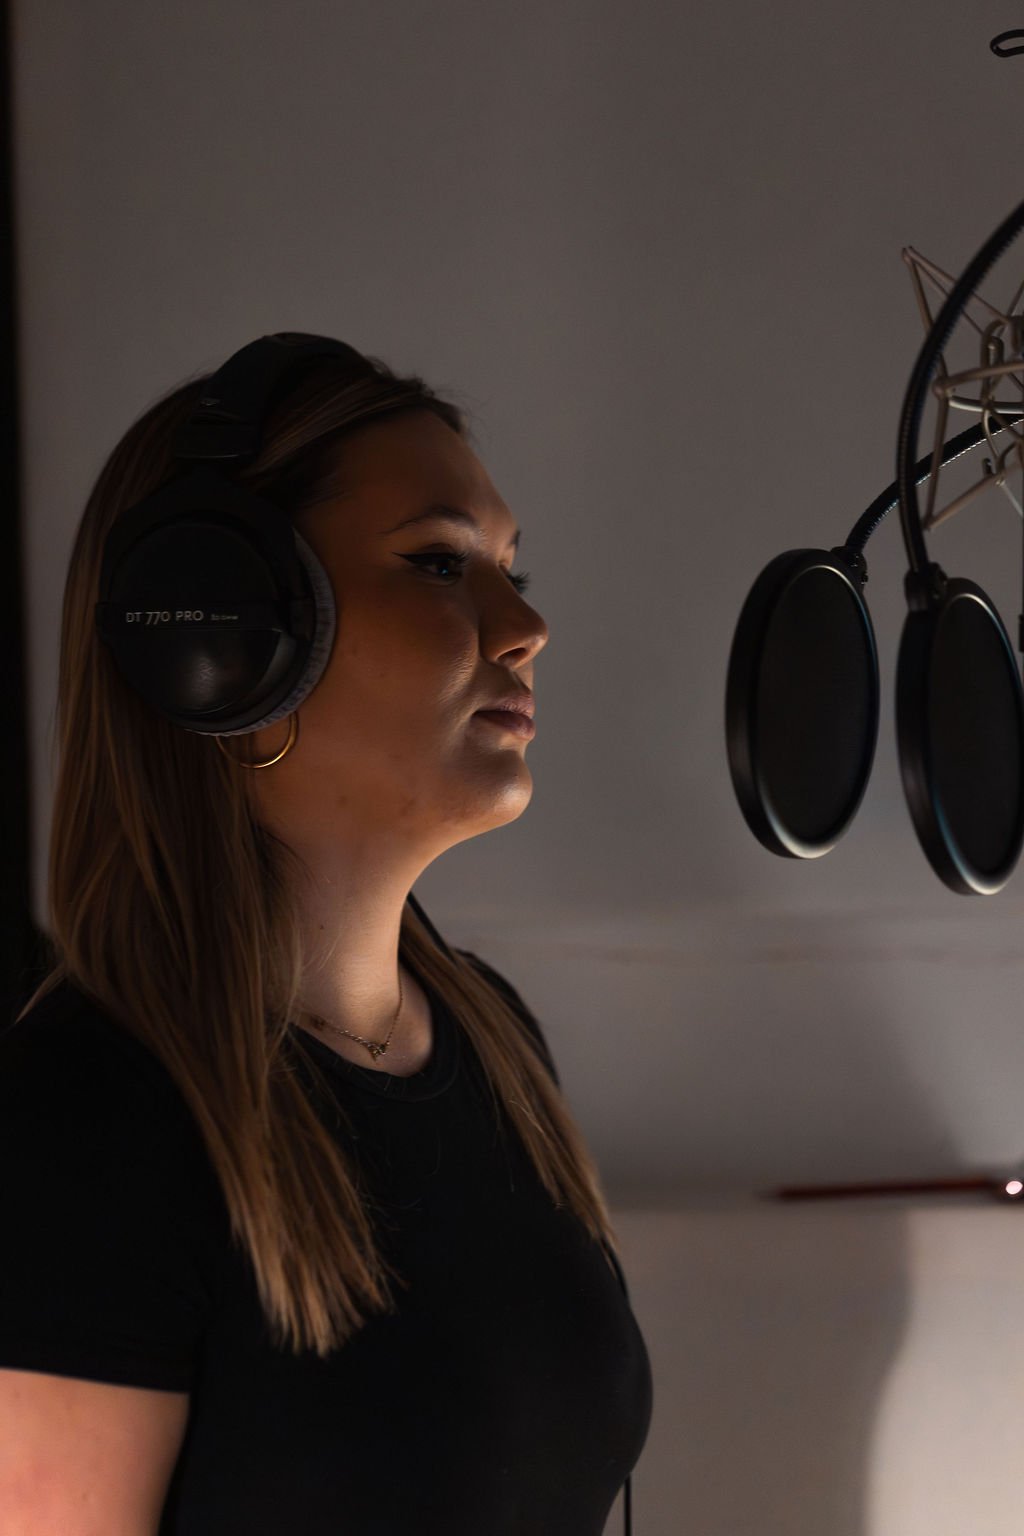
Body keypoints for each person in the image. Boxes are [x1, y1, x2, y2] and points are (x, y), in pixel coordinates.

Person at [0, 337, 653, 1535]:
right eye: (441, 563)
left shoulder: (489, 1039)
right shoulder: (82, 1118)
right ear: (223, 642)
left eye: (511, 567)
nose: (525, 625)